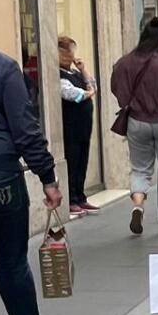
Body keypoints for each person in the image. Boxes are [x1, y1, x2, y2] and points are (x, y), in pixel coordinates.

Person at [0, 49, 63, 315]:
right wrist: (47, 177)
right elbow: (24, 129)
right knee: (10, 261)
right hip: (0, 178)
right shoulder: (2, 67)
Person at [110, 17, 158, 236]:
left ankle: (138, 205)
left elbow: (117, 89)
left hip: (136, 120)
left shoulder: (124, 62)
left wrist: (130, 104)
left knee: (140, 168)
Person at [58, 36, 97, 218]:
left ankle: (81, 195)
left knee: (83, 159)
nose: (69, 56)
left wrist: (83, 70)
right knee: (72, 161)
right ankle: (72, 198)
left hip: (84, 125)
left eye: (71, 52)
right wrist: (87, 92)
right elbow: (72, 94)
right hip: (70, 126)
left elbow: (93, 87)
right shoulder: (57, 75)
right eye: (65, 52)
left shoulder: (74, 73)